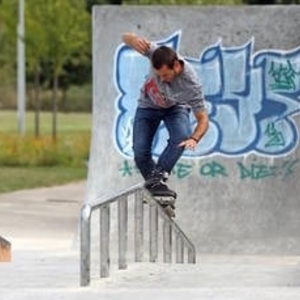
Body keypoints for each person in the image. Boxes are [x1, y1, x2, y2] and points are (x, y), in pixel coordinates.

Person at [122, 32, 209, 198]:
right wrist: (131, 39)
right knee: (140, 152)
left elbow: (203, 120)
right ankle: (156, 187)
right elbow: (125, 37)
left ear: (176, 66)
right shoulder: (155, 52)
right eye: (158, 75)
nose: (162, 79)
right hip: (147, 105)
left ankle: (158, 176)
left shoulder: (192, 84)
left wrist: (194, 138)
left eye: (165, 75)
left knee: (182, 136)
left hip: (176, 108)